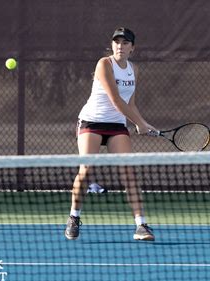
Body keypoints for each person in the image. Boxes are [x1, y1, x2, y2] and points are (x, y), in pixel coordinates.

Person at [65, 27, 157, 241]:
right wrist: (139, 124)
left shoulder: (134, 69)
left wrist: (143, 123)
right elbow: (116, 100)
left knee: (128, 172)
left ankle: (141, 225)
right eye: (117, 42)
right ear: (112, 45)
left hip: (116, 126)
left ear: (132, 48)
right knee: (86, 171)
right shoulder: (104, 64)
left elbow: (130, 103)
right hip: (91, 122)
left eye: (125, 43)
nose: (120, 46)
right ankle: (74, 217)